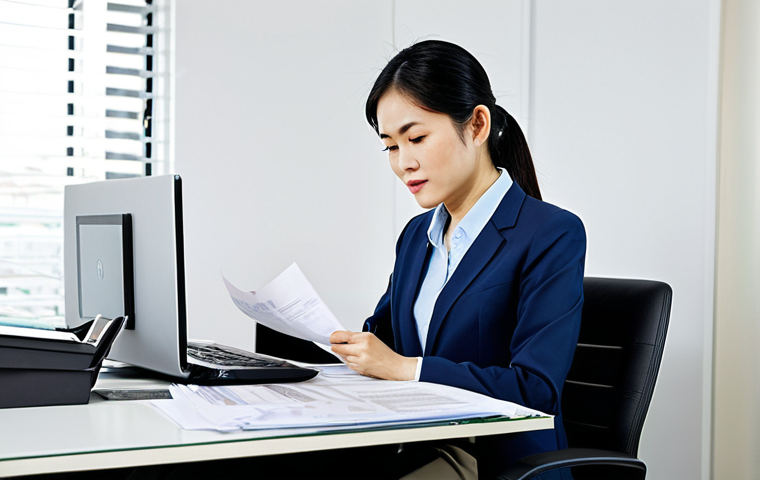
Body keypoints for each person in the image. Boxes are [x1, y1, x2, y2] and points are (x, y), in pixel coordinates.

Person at [330, 40, 586, 479]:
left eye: (416, 138)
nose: (403, 163)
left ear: (478, 124)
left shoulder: (551, 233)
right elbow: (384, 339)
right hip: (412, 444)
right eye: (390, 146)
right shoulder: (417, 236)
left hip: (495, 461)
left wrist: (407, 369)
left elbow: (536, 389)